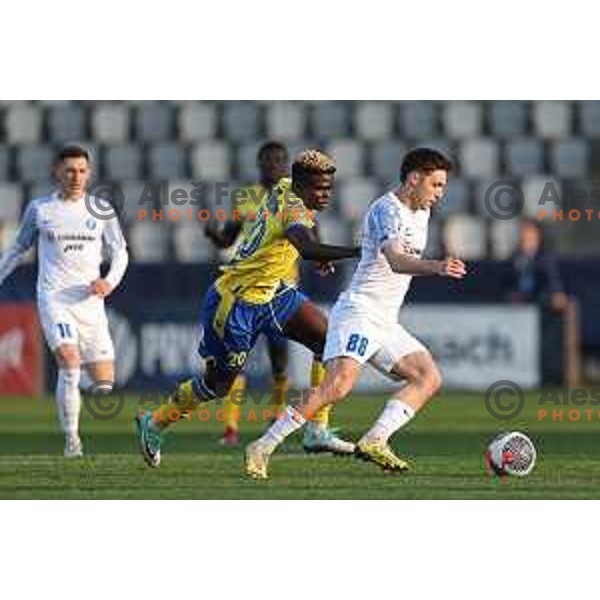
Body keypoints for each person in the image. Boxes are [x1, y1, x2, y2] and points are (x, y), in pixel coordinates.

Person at [245, 147, 466, 479]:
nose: (440, 194)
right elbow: (395, 260)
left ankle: (376, 439)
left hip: (385, 319)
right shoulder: (387, 210)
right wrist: (436, 266)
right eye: (435, 185)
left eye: (443, 186)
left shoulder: (421, 213)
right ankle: (262, 445)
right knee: (338, 386)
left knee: (427, 376)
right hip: (359, 311)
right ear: (414, 179)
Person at [135, 149, 359, 467]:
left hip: (275, 293)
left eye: (328, 187)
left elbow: (304, 240)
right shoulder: (291, 206)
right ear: (299, 185)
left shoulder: (284, 186)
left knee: (329, 340)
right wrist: (361, 250)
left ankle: (317, 430)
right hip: (237, 302)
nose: (325, 195)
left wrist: (319, 254)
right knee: (219, 384)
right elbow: (305, 246)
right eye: (318, 188)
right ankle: (155, 423)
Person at [206, 141, 341, 447]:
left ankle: (276, 416)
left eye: (279, 159)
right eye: (268, 159)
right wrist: (213, 234)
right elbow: (228, 237)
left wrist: (321, 258)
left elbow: (311, 238)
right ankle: (230, 428)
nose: (273, 163)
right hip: (246, 291)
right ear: (259, 162)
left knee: (279, 364)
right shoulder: (248, 197)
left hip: (283, 291)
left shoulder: (299, 196)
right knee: (234, 364)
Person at [0, 143, 128, 457]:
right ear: (57, 171)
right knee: (69, 362)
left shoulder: (101, 210)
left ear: (89, 173)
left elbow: (121, 252)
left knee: (104, 382)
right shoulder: (41, 209)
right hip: (54, 298)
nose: (76, 176)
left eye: (82, 171)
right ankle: (72, 440)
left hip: (90, 303)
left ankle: (70, 384)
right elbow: (18, 249)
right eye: (70, 170)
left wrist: (108, 282)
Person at [506, 218, 568, 313]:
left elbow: (553, 280)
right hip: (518, 301)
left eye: (531, 237)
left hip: (540, 298)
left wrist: (556, 292)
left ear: (538, 238)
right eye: (525, 237)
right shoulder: (514, 258)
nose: (528, 241)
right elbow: (508, 282)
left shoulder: (546, 258)